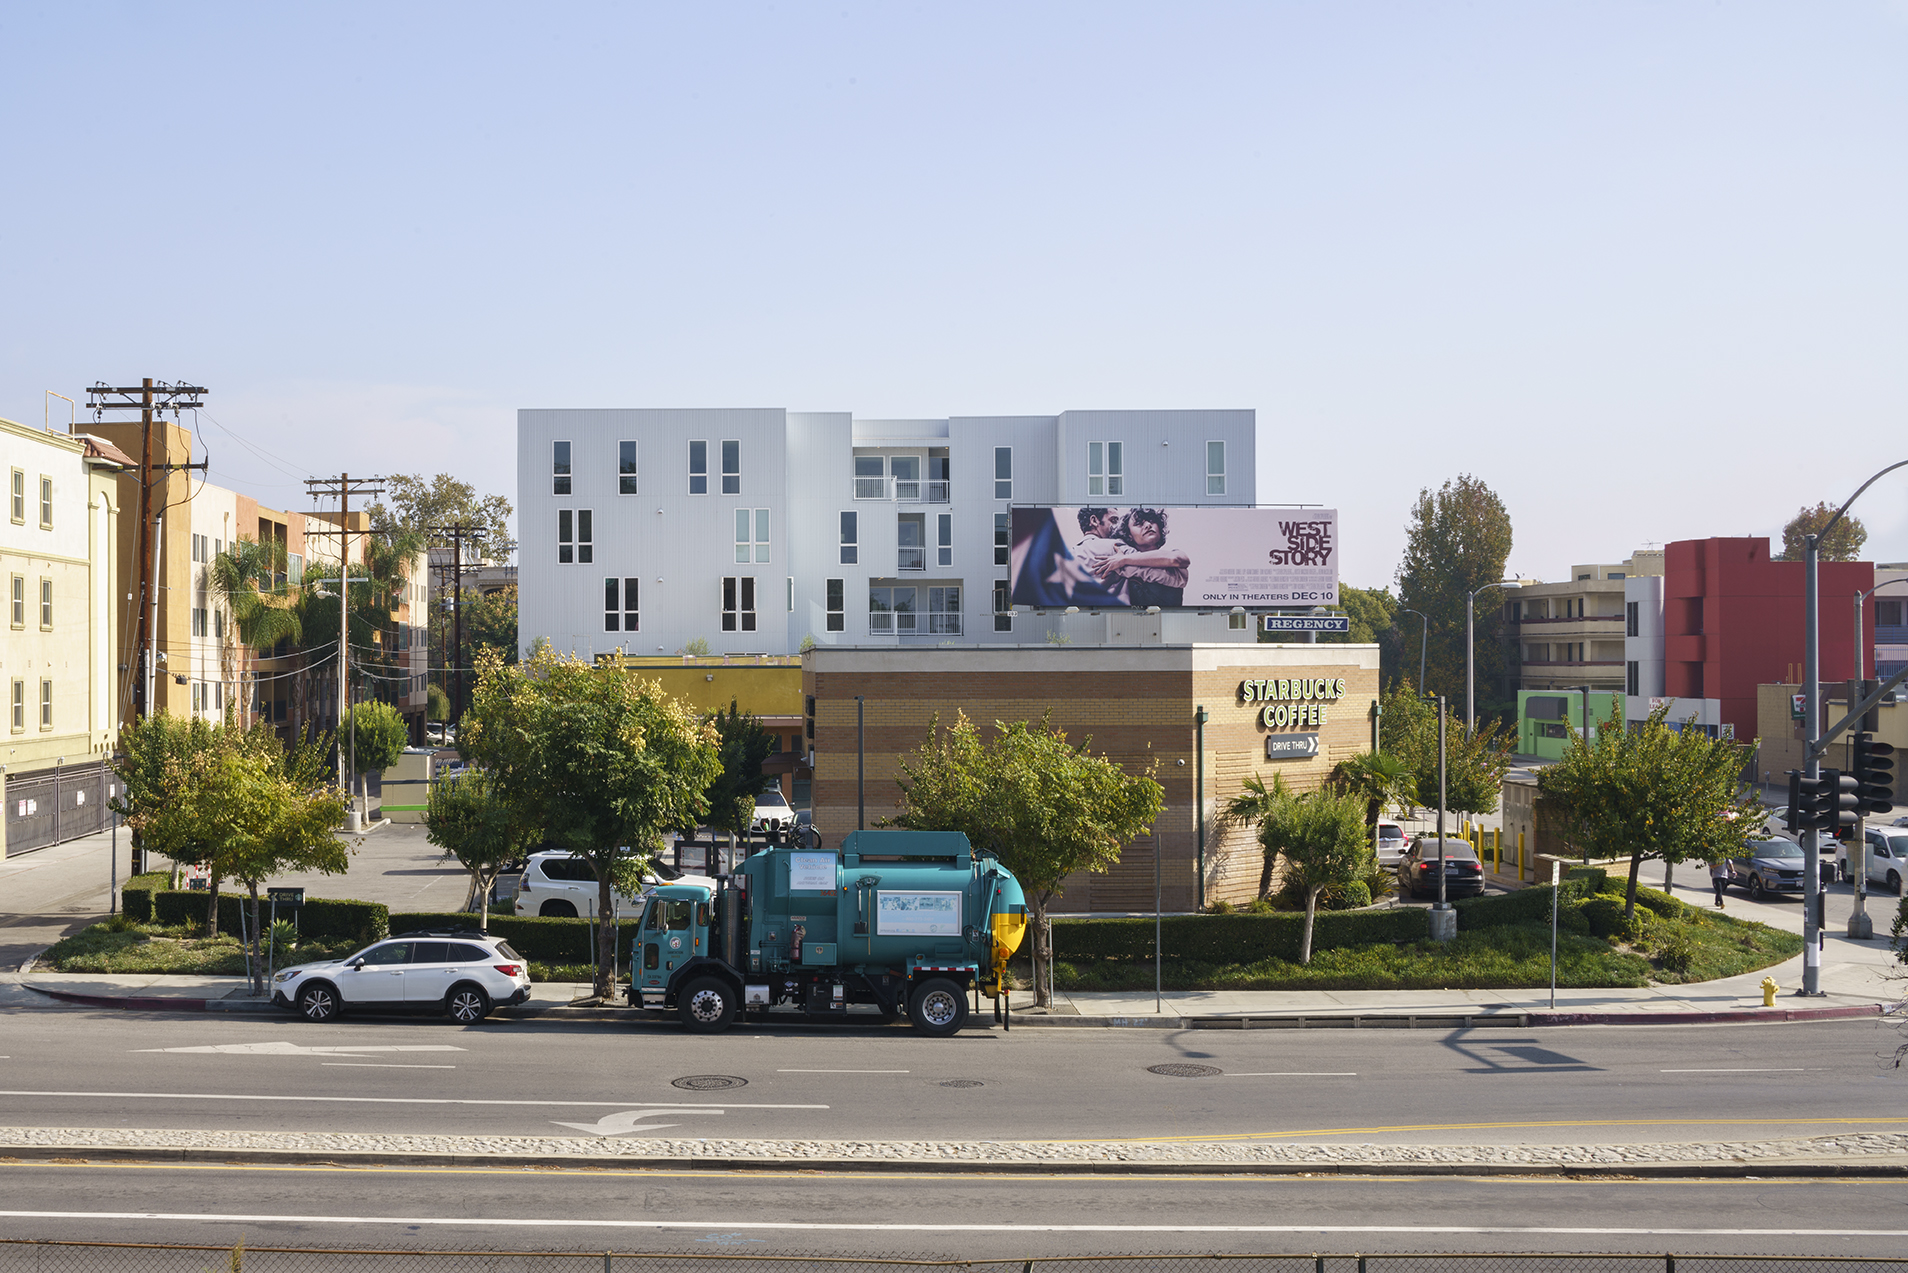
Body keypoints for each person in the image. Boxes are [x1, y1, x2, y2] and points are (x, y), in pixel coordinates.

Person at [1092, 508, 1190, 607]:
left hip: (1166, 619)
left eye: (1152, 521)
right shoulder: (1120, 560)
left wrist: (1124, 560)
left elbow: (1176, 559)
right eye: (1139, 523)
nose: (1148, 525)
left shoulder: (1173, 554)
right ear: (1129, 535)